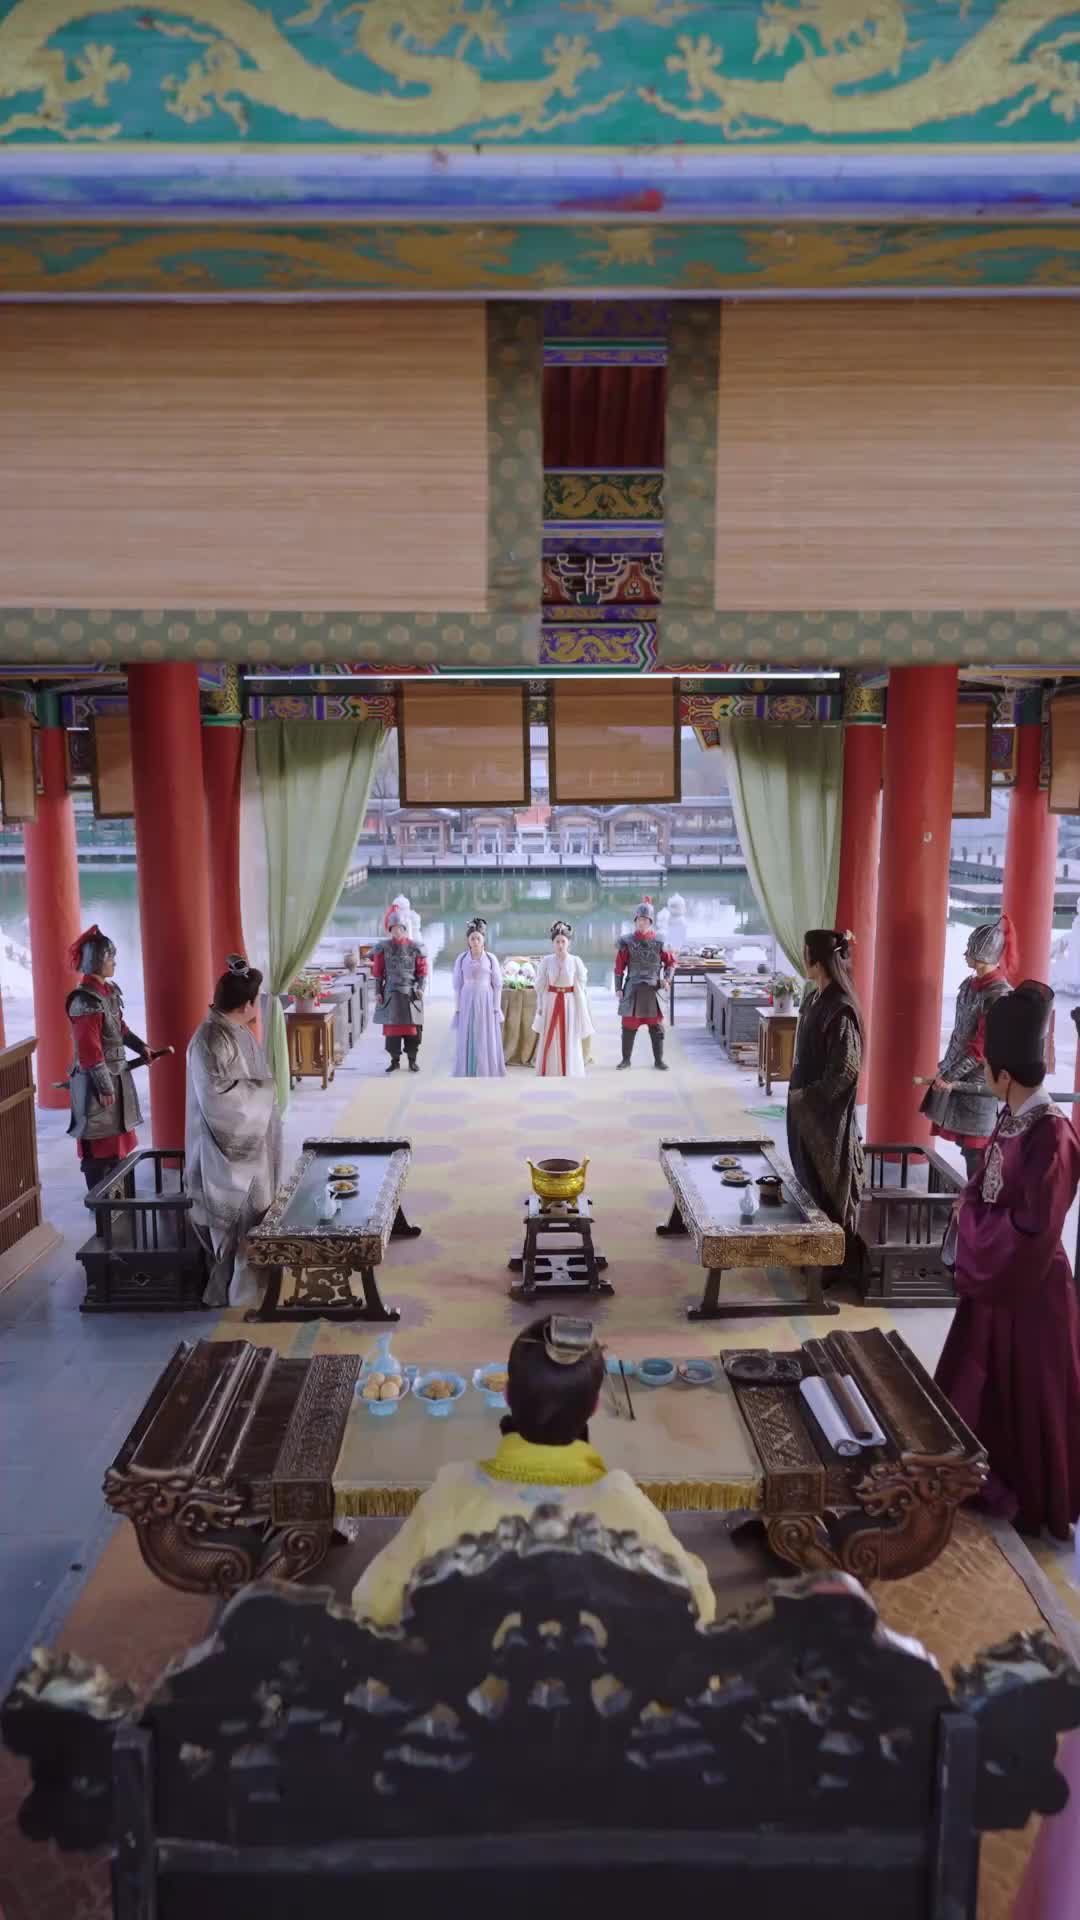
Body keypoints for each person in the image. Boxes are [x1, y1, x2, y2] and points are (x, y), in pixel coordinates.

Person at [350, 1316, 716, 1627]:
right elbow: (699, 1607)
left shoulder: (451, 1495)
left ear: (507, 1395)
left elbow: (371, 1605)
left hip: (469, 1689)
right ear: (594, 1407)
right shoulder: (625, 1504)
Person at [935, 981, 1080, 1541]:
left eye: (989, 1069)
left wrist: (969, 1219)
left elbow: (1033, 1229)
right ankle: (978, 1477)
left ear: (1004, 1075)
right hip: (997, 1283)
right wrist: (970, 1204)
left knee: (1028, 1397)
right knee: (980, 1385)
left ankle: (1030, 1498)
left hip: (1032, 1291)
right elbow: (987, 1188)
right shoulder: (1014, 1115)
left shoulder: (1053, 1135)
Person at [185, 955, 283, 1308]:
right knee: (239, 1219)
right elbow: (219, 1101)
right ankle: (235, 1290)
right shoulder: (210, 1040)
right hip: (225, 1146)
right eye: (257, 1000)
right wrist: (265, 1093)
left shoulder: (234, 1030)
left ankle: (257, 1283)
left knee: (258, 1214)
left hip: (250, 1140)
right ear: (246, 1005)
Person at [786, 928, 865, 1251]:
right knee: (806, 1175)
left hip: (825, 1115)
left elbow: (846, 1070)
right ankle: (812, 1250)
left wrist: (809, 1098)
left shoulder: (839, 1008)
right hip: (804, 1105)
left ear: (817, 961)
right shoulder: (814, 998)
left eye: (806, 954)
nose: (804, 959)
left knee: (826, 1181)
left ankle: (832, 1259)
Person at [920, 914, 1015, 1178]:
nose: (965, 954)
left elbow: (981, 1048)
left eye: (970, 948)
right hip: (958, 1075)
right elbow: (961, 1034)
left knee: (978, 1153)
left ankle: (979, 1201)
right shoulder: (970, 985)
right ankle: (971, 1199)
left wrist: (950, 1076)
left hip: (979, 1081)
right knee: (968, 1150)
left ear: (983, 952)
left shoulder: (999, 995)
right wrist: (946, 1070)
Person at [65, 925, 149, 1190]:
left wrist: (141, 1048)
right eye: (110, 958)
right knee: (101, 1147)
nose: (114, 963)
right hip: (97, 1084)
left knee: (119, 1145)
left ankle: (121, 1200)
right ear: (97, 960)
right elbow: (89, 1049)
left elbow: (119, 1029)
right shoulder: (84, 1001)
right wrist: (104, 1087)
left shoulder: (108, 992)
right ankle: (103, 1204)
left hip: (116, 1077)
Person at [614, 898, 675, 1071]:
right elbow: (619, 967)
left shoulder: (660, 941)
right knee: (628, 1026)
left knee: (656, 1028)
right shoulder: (626, 942)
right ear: (635, 920)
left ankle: (659, 1061)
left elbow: (671, 963)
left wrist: (667, 979)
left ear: (650, 921)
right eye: (640, 919)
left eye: (645, 920)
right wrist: (618, 988)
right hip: (632, 989)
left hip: (653, 989)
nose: (642, 923)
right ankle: (626, 1060)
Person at [532, 920, 594, 1078]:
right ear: (553, 943)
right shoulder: (546, 961)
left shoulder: (576, 961)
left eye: (563, 941)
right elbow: (540, 985)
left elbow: (581, 984)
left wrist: (580, 1006)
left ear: (569, 943)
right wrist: (541, 1005)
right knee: (551, 1036)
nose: (560, 945)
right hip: (551, 1001)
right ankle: (550, 1071)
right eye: (557, 942)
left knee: (569, 1035)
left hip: (569, 1002)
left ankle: (570, 1071)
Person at [372, 911, 427, 1073]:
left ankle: (412, 1060)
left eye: (400, 928)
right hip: (391, 994)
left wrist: (420, 988)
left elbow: (422, 972)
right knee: (392, 1032)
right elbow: (378, 972)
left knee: (413, 1032)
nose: (397, 931)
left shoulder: (415, 947)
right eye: (394, 928)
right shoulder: (383, 947)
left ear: (404, 928)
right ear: (390, 929)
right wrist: (378, 991)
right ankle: (394, 1060)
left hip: (410, 993)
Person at [451, 917, 506, 1078]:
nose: (475, 941)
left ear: (483, 940)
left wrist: (496, 1007)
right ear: (468, 941)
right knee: (467, 1032)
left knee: (484, 1033)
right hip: (467, 998)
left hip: (485, 999)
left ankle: (486, 1069)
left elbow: (497, 985)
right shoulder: (462, 958)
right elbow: (457, 985)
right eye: (472, 938)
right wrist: (458, 1008)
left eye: (478, 938)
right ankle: (467, 1069)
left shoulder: (490, 959)